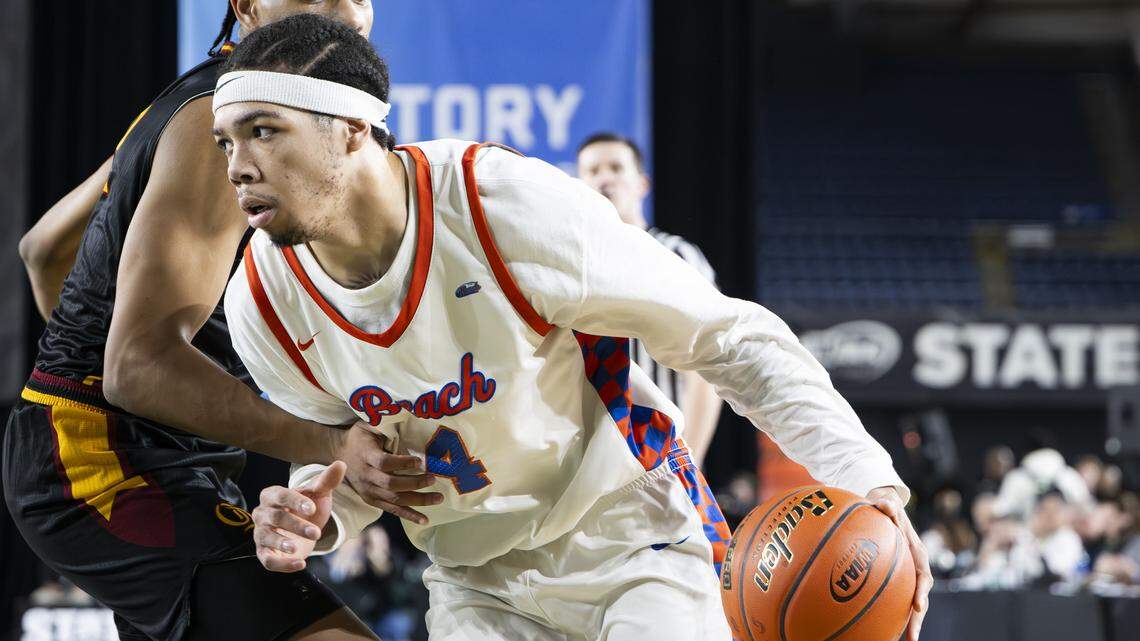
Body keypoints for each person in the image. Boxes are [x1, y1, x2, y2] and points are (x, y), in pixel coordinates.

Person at [214, 15, 932, 641]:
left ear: (352, 129)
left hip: (630, 539)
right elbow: (347, 461)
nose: (238, 168)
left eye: (264, 132)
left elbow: (729, 338)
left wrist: (870, 480)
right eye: (226, 143)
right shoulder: (260, 301)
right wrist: (318, 513)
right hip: (476, 582)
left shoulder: (500, 205)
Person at [5, 3, 437, 640]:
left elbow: (44, 249)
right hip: (103, 460)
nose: (345, 8)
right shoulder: (238, 126)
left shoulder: (202, 97)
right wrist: (327, 443)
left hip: (137, 449)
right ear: (247, 7)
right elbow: (135, 366)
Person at [576, 133, 722, 467]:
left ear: (641, 184)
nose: (604, 178)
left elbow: (705, 370)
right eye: (593, 170)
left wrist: (690, 458)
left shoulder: (677, 255)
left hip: (663, 450)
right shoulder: (575, 264)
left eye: (616, 167)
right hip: (591, 460)